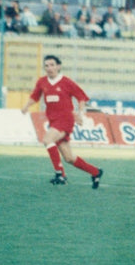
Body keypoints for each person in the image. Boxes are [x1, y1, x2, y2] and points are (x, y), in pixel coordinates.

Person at [20, 55, 103, 188]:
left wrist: (81, 114)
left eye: (52, 65)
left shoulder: (66, 82)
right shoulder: (42, 82)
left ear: (58, 66)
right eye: (46, 66)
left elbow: (81, 97)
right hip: (53, 121)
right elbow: (35, 96)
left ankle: (60, 174)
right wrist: (26, 106)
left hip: (65, 120)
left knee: (47, 139)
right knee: (69, 158)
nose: (49, 68)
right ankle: (96, 172)